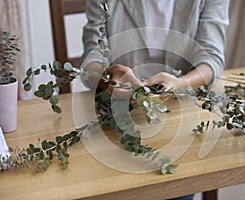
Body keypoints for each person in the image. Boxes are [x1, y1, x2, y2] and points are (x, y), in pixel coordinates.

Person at [81, 0, 229, 199]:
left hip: (182, 118)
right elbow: (91, 60)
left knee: (174, 187)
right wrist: (108, 77)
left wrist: (180, 83)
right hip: (118, 118)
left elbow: (211, 59)